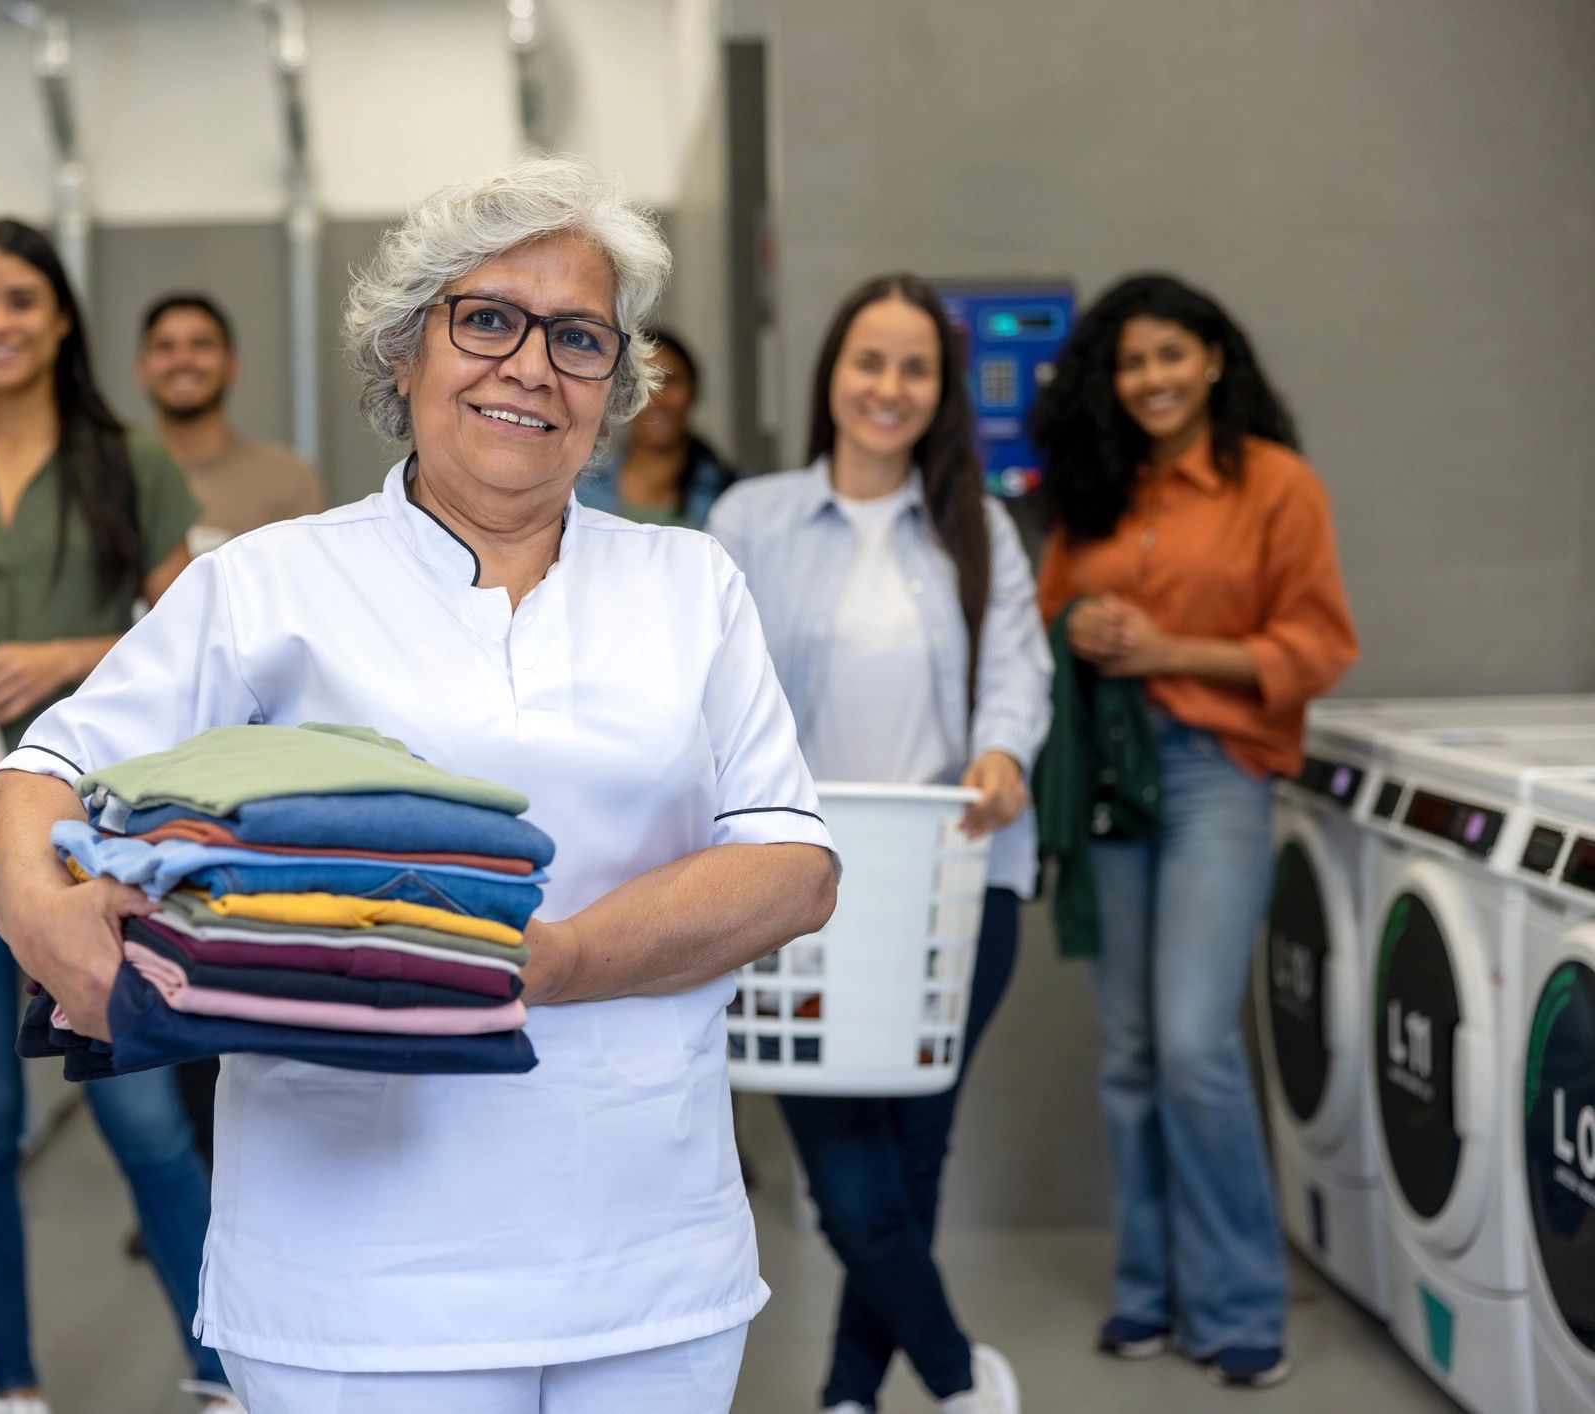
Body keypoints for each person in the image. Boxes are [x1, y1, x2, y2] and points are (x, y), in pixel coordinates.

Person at [0, 154, 840, 1413]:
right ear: (404, 352)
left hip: (647, 1260)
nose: (531, 365)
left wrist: (555, 960)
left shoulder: (688, 587)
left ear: (615, 385)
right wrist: (45, 921)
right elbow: (40, 769)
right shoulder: (267, 585)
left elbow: (791, 865)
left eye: (579, 337)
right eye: (486, 319)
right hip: (353, 1280)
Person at [0, 219, 237, 1414]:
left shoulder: (128, 465)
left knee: (148, 1126)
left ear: (60, 316)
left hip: (99, 853)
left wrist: (72, 651)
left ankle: (218, 1372)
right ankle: (11, 1387)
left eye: (22, 298)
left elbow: (196, 642)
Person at [708, 275, 1050, 1414]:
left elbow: (1016, 672)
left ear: (939, 391)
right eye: (869, 360)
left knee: (912, 1154)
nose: (887, 387)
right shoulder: (749, 518)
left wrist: (1002, 754)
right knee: (849, 1174)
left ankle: (848, 1395)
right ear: (831, 373)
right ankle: (959, 1381)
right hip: (798, 888)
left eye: (913, 367)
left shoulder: (979, 527)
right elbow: (711, 688)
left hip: (954, 881)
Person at [1030, 273, 1358, 1390]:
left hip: (1217, 768)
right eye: (1129, 363)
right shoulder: (1098, 487)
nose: (1150, 379)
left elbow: (1314, 647)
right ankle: (1147, 1294)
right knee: (1126, 1049)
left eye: (1169, 354)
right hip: (1115, 780)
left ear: (1213, 357)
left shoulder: (1275, 485)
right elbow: (1045, 621)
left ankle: (1236, 1302)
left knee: (1191, 1041)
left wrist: (1165, 651)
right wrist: (1082, 626)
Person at [137, 291, 326, 554]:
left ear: (231, 366)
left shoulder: (288, 478)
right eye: (165, 347)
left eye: (201, 344)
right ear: (142, 369)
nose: (182, 360)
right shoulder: (108, 477)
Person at [575, 326, 738, 526]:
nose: (656, 398)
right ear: (620, 395)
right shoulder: (581, 490)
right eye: (643, 383)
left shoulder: (733, 492)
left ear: (693, 391)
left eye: (670, 381)